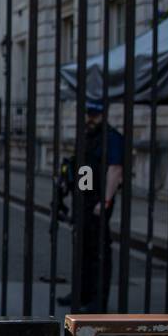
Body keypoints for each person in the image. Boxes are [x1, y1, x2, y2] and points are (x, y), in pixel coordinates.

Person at [58, 100, 124, 312]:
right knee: (82, 250)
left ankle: (98, 301)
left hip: (98, 202)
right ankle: (81, 293)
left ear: (104, 115)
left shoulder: (111, 138)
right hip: (83, 200)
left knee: (98, 252)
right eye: (88, 114)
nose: (89, 119)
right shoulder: (88, 137)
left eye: (94, 115)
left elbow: (115, 170)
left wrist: (105, 201)